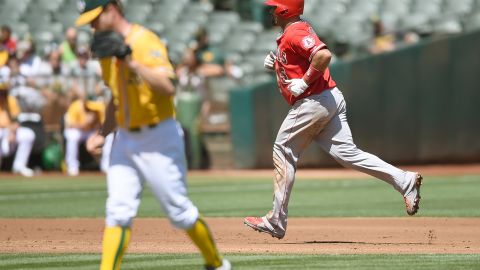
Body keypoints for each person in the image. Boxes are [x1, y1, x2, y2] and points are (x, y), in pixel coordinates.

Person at [244, 0, 423, 240]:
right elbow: (303, 60)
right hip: (327, 97)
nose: (271, 10)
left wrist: (305, 82)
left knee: (283, 149)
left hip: (313, 101)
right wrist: (277, 64)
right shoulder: (295, 30)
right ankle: (404, 180)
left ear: (284, 10)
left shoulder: (295, 31)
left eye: (274, 6)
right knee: (347, 153)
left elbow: (323, 56)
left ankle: (276, 220)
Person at [75, 1, 231, 269]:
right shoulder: (105, 50)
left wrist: (130, 60)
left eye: (95, 18)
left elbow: (168, 87)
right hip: (124, 138)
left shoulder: (144, 42)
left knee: (179, 213)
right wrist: (103, 132)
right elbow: (114, 96)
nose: (92, 26)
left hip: (158, 136)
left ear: (112, 9)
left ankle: (217, 264)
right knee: (117, 212)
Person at [0, 49, 35, 177]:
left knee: (28, 134)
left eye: (3, 91)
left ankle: (19, 166)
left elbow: (16, 120)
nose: (2, 93)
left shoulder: (11, 100)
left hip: (9, 133)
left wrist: (12, 131)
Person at [63, 97, 105, 176]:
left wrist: (93, 137)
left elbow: (102, 126)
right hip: (78, 130)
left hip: (91, 132)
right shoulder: (75, 106)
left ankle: (105, 165)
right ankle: (72, 167)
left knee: (108, 137)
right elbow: (70, 125)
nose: (90, 109)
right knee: (73, 136)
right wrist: (85, 124)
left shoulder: (98, 107)